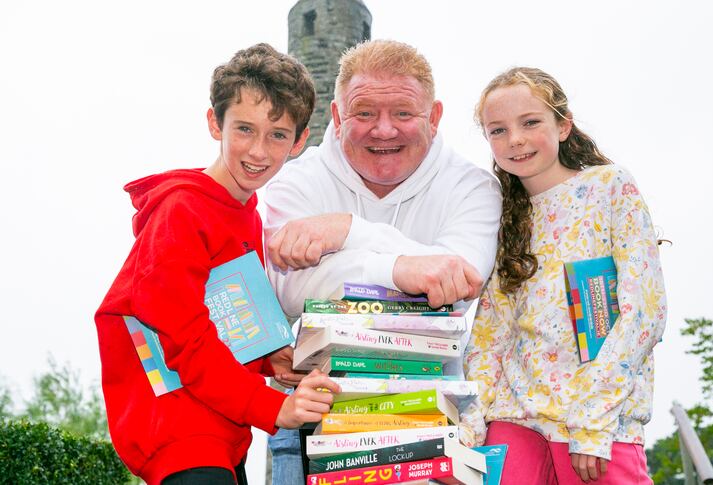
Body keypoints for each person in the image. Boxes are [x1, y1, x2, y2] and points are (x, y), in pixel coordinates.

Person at [94, 43, 339, 485]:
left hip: (224, 431)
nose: (259, 151)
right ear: (215, 123)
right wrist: (274, 407)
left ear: (300, 141)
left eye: (278, 134)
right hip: (181, 435)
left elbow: (227, 313)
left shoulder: (249, 214)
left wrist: (270, 358)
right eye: (244, 128)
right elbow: (185, 336)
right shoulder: (182, 211)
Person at [262, 40, 502, 482]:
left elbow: (458, 283)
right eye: (365, 113)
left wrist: (347, 233)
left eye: (404, 114)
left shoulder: (472, 188)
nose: (384, 130)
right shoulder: (294, 182)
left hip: (429, 415)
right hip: (311, 413)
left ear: (434, 117)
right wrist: (398, 269)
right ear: (336, 117)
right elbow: (286, 289)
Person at [460, 67, 667, 485]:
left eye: (530, 122)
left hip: (594, 422)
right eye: (497, 130)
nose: (514, 139)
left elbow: (644, 310)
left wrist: (595, 418)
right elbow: (491, 332)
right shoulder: (502, 217)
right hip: (513, 416)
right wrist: (472, 419)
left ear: (563, 125)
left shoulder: (610, 187)